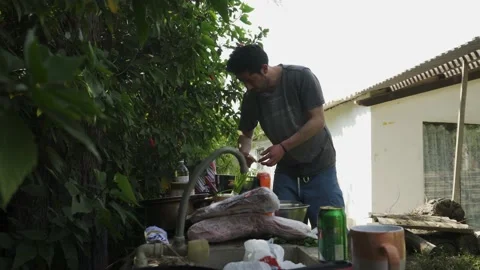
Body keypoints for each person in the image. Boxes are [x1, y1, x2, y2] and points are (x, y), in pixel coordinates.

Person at [226, 44, 345, 228]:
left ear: (264, 68)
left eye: (250, 80)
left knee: (330, 232)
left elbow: (317, 120)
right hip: (287, 173)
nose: (247, 87)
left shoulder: (301, 77)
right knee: (283, 232)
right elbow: (245, 132)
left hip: (320, 168)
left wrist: (283, 147)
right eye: (243, 82)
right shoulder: (251, 97)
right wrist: (244, 151)